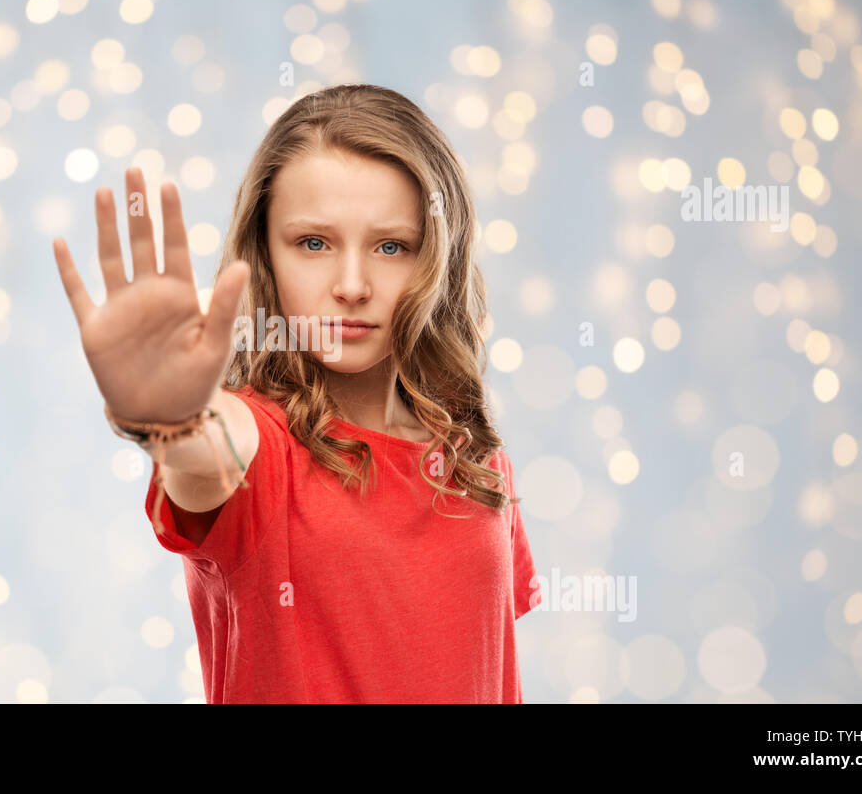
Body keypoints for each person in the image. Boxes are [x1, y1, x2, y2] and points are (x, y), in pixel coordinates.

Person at [52, 83, 538, 703]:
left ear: (438, 257)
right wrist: (164, 418)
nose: (353, 285)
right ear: (264, 256)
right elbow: (205, 448)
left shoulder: (475, 458)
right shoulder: (259, 448)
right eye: (314, 243)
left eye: (392, 246)